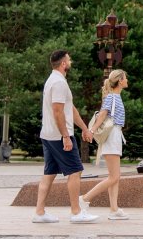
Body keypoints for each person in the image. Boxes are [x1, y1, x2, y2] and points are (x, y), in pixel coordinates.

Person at [33, 50, 98, 224]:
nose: (71, 62)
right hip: (59, 136)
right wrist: (66, 136)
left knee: (49, 173)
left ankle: (39, 213)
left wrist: (85, 128)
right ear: (63, 64)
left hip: (49, 135)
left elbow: (70, 108)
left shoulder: (54, 80)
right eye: (69, 59)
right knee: (75, 171)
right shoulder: (58, 83)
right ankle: (76, 212)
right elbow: (58, 111)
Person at [82, 69, 129, 220]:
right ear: (120, 81)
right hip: (112, 136)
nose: (127, 80)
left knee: (114, 177)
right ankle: (84, 199)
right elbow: (102, 115)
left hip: (115, 135)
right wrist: (91, 131)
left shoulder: (116, 96)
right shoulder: (111, 97)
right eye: (125, 78)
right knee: (114, 177)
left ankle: (114, 210)